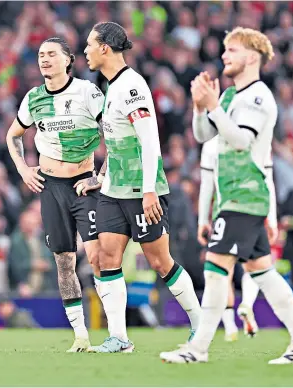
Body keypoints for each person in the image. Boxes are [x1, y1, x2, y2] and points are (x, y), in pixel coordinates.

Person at [160, 27, 293, 364]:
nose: (224, 56)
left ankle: (198, 349)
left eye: (231, 50)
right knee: (264, 274)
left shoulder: (259, 97)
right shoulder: (232, 96)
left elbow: (240, 140)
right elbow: (204, 133)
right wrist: (199, 106)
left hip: (247, 196)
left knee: (215, 269)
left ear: (252, 57)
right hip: (231, 198)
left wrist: (213, 107)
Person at [84, 22, 201, 353]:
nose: (86, 51)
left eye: (90, 45)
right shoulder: (110, 87)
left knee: (160, 261)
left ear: (105, 48)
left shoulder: (132, 87)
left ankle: (199, 324)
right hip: (114, 190)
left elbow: (150, 142)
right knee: (106, 257)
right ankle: (119, 338)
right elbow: (118, 144)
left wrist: (150, 190)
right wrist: (102, 177)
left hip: (141, 190)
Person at [6, 37, 105, 352]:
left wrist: (102, 176)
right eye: (40, 55)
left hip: (83, 183)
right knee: (64, 261)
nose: (44, 59)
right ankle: (80, 336)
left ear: (68, 60)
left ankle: (118, 333)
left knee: (99, 257)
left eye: (51, 54)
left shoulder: (87, 92)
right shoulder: (33, 98)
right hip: (51, 186)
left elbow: (114, 132)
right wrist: (23, 169)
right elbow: (13, 136)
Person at [198, 135, 278, 341]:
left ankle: (228, 326)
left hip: (224, 212)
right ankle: (247, 304)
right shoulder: (258, 140)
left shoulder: (211, 144)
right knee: (257, 266)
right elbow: (268, 180)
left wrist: (202, 221)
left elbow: (207, 186)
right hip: (255, 208)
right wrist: (272, 219)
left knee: (222, 269)